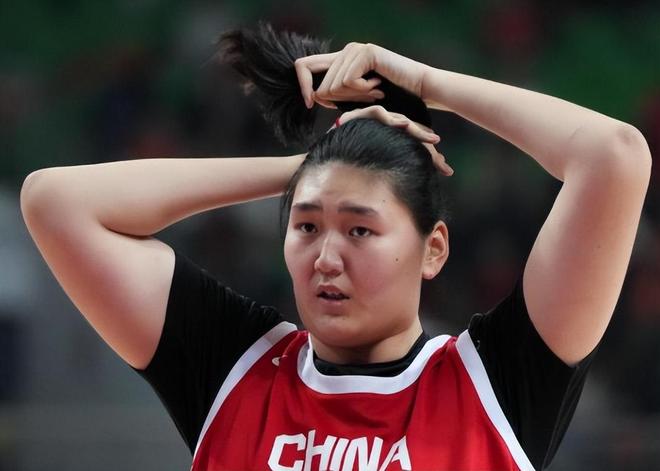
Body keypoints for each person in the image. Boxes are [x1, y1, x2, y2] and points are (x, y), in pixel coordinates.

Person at [20, 22, 651, 471]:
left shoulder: (496, 381)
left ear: (433, 249)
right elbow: (56, 201)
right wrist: (305, 168)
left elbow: (614, 157)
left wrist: (425, 82)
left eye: (359, 229)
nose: (325, 258)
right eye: (306, 226)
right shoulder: (233, 369)